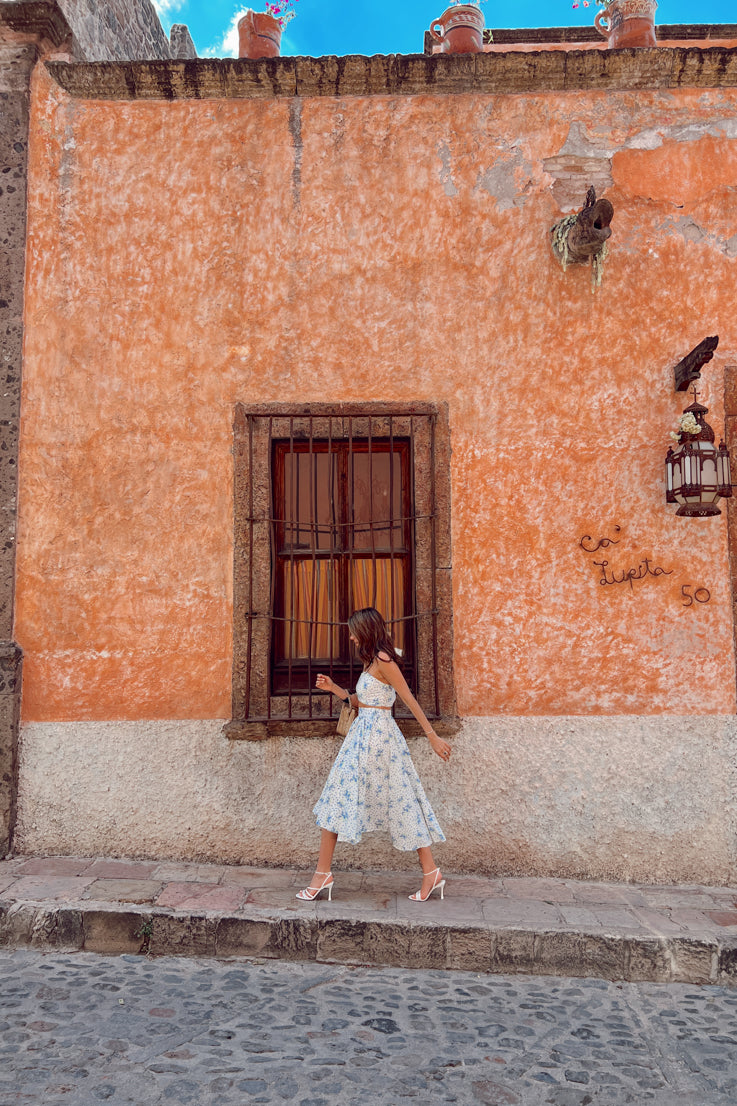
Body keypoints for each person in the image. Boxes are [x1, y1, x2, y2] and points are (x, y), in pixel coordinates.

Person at [296, 607, 451, 904]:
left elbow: (408, 699)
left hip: (378, 739)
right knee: (354, 799)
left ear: (366, 630)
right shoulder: (370, 662)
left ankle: (323, 875)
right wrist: (335, 690)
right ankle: (430, 872)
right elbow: (362, 702)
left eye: (354, 631)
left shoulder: (384, 661)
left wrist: (432, 735)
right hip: (363, 734)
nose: (351, 637)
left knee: (393, 799)